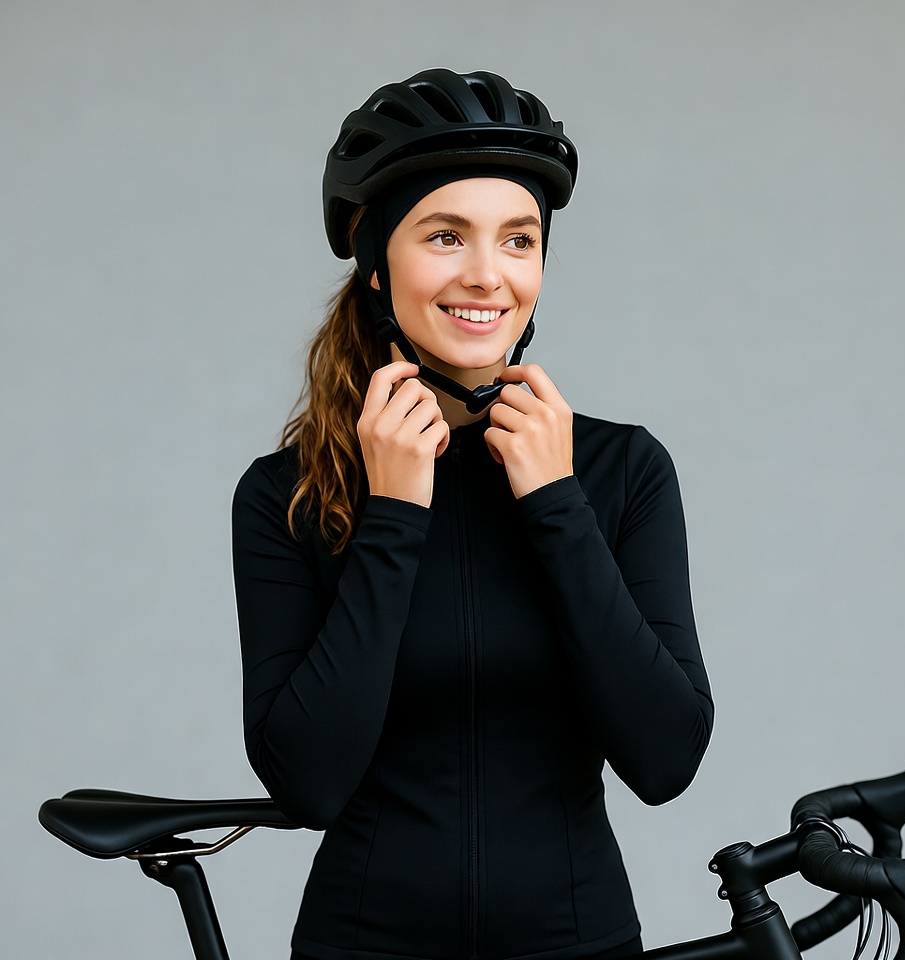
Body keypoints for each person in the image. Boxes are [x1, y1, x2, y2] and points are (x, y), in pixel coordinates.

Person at [232, 68, 714, 960]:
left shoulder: (622, 471)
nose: (488, 276)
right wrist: (394, 515)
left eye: (519, 241)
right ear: (377, 263)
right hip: (362, 943)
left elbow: (665, 759)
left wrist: (557, 504)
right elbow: (309, 780)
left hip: (579, 942)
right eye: (446, 235)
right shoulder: (285, 492)